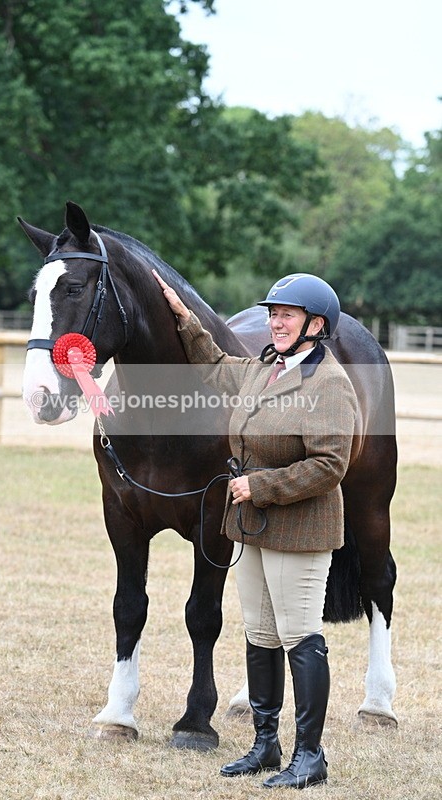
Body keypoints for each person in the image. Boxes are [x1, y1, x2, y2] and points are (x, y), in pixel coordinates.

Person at [152, 269, 357, 790]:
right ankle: (266, 744)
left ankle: (310, 756)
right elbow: (217, 365)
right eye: (272, 314)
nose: (276, 322)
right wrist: (183, 316)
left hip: (300, 528)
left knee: (299, 636)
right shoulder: (266, 368)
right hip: (252, 526)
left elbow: (330, 464)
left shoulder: (329, 383)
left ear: (316, 324)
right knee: (260, 633)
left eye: (287, 315)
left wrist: (260, 486)